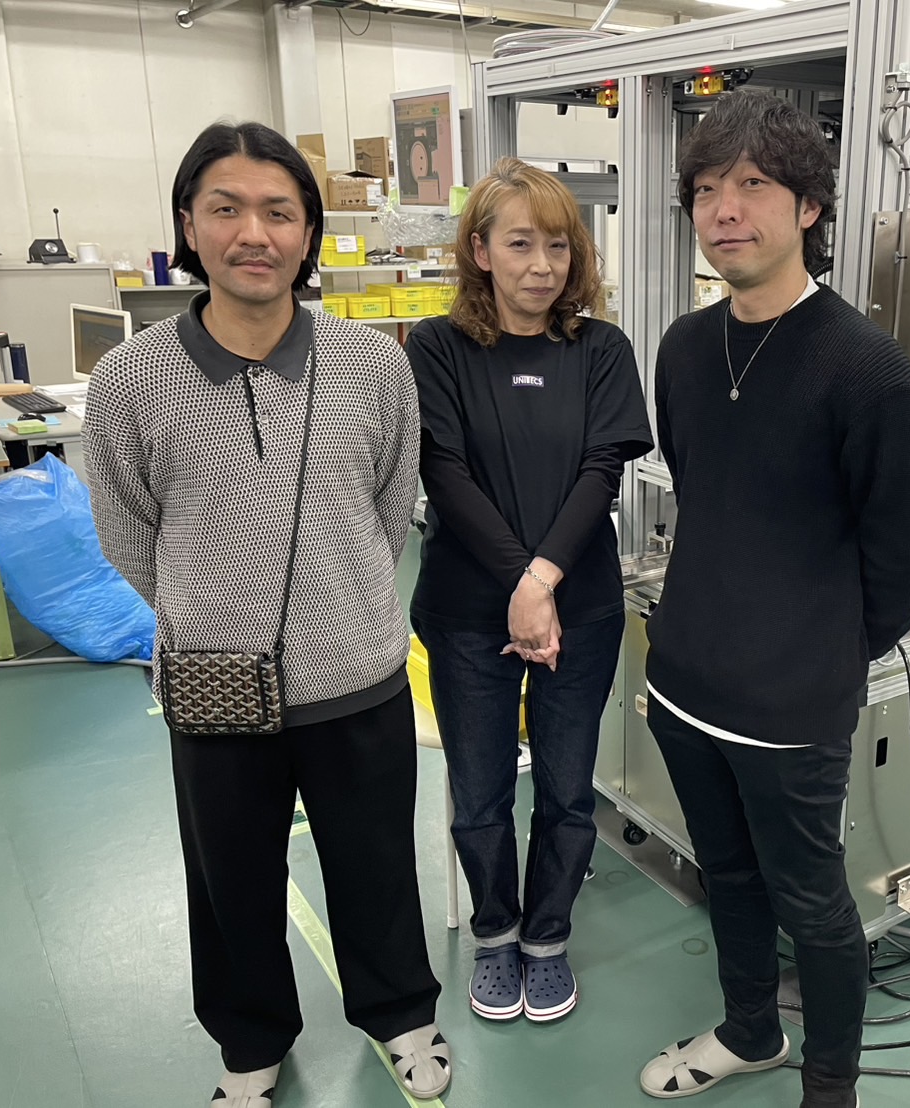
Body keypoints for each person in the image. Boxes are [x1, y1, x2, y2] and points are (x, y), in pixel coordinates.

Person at [82, 122, 449, 1108]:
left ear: (308, 233)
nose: (255, 233)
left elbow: (388, 507)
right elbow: (126, 530)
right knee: (228, 878)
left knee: (377, 865)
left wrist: (340, 602)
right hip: (212, 685)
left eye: (279, 212)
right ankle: (249, 1042)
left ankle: (400, 1013)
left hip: (358, 674)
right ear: (187, 227)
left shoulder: (373, 365)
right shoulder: (129, 380)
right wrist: (209, 612)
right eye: (227, 209)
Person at [637, 90, 910, 1108]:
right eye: (706, 189)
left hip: (790, 711)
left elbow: (908, 555)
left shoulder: (867, 372)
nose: (724, 209)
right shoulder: (684, 348)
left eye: (754, 184)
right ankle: (749, 1031)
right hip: (683, 685)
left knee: (811, 903)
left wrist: (818, 651)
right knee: (724, 874)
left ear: (809, 206)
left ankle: (829, 1086)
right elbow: (704, 491)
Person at [406, 157, 653, 1025]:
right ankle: (495, 931)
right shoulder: (436, 348)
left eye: (557, 245)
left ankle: (547, 936)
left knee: (567, 788)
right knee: (478, 792)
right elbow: (443, 471)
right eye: (519, 244)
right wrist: (521, 582)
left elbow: (601, 471)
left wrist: (540, 580)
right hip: (466, 612)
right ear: (480, 251)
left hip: (577, 607)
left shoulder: (600, 351)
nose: (542, 265)